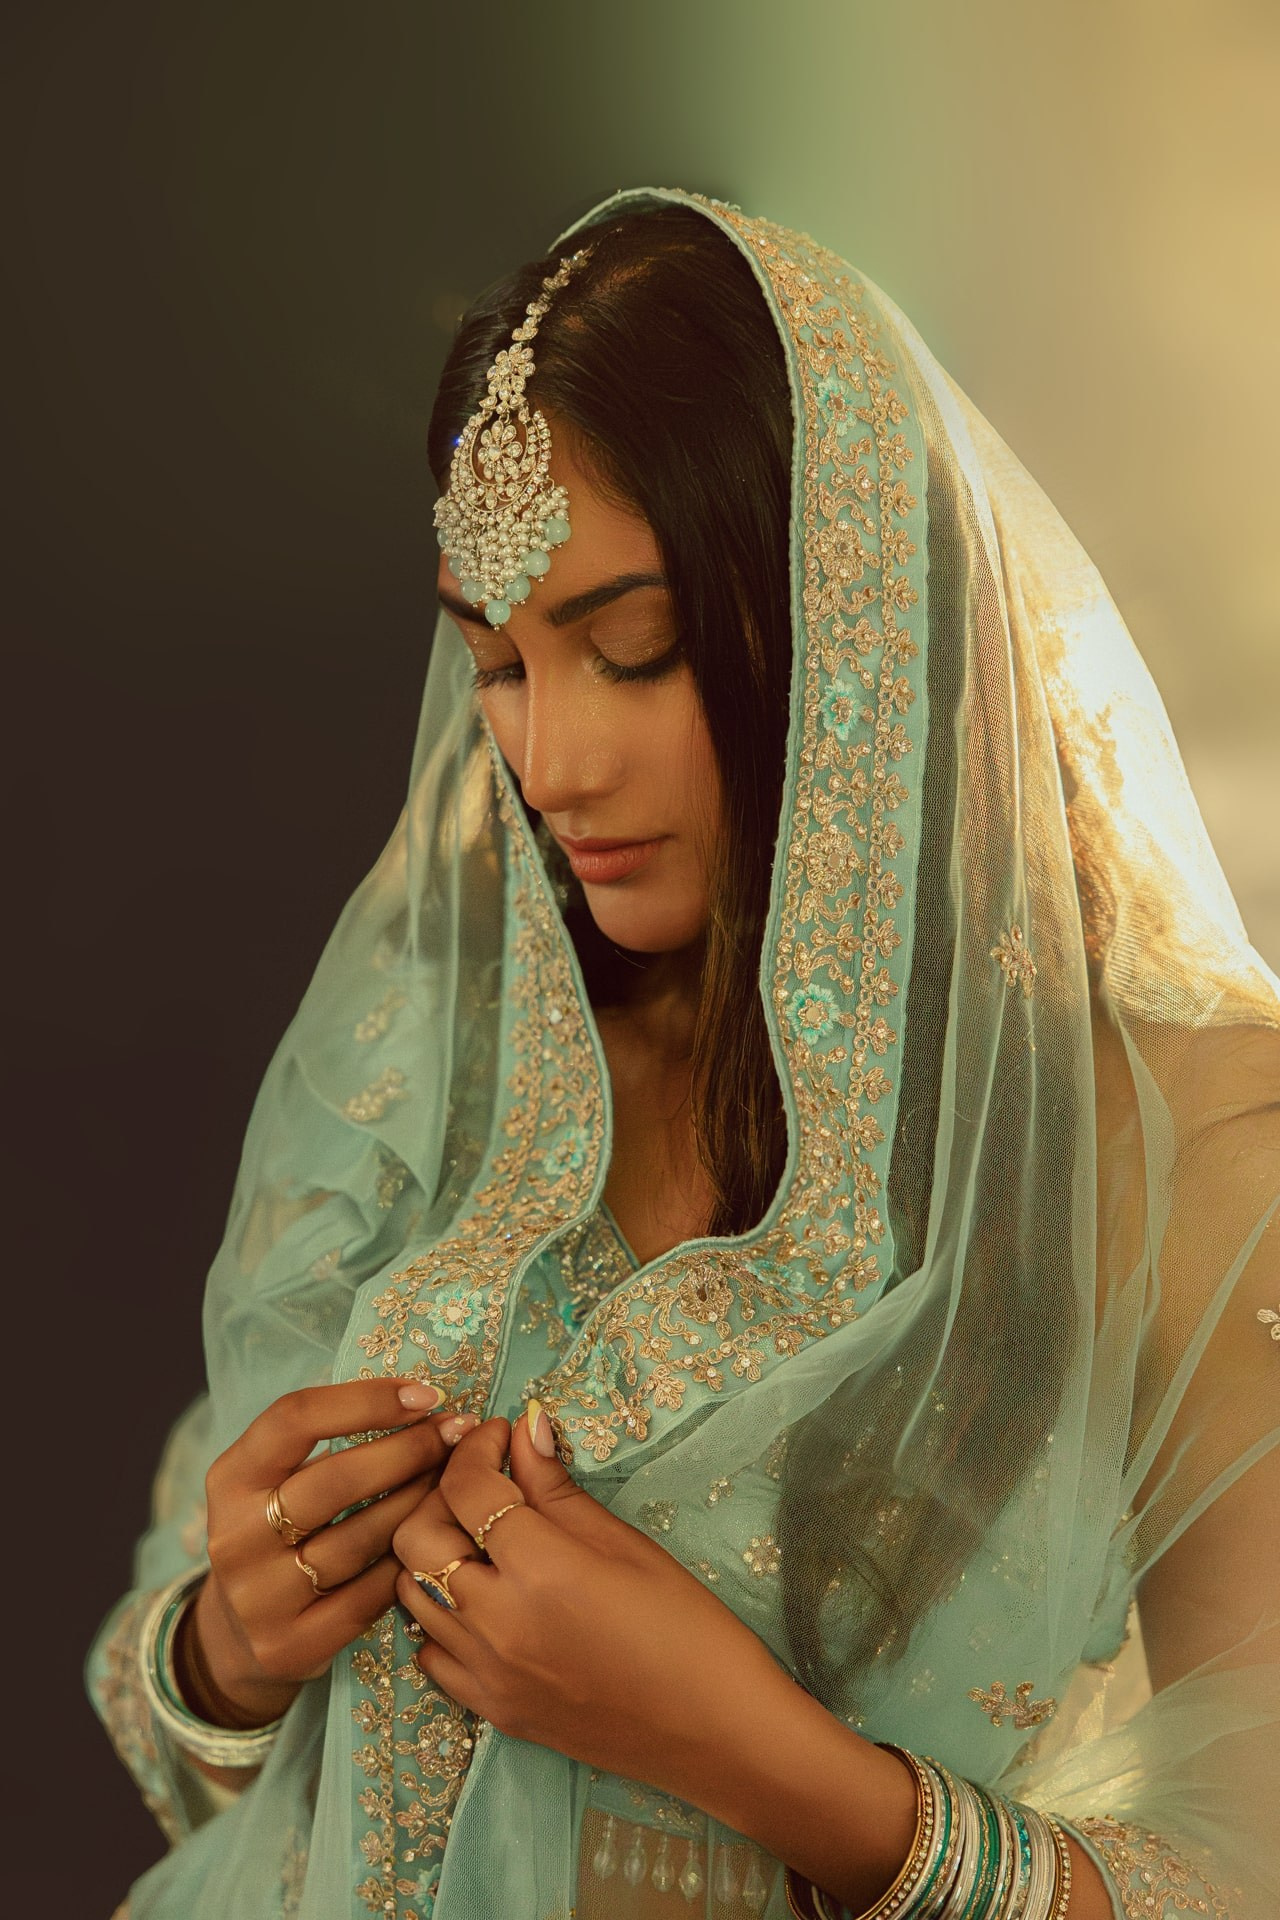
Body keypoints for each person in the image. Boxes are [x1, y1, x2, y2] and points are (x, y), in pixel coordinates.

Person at [88, 188, 1279, 1920]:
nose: (548, 760)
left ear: (851, 621)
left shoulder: (1178, 1136)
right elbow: (171, 1719)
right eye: (496, 665)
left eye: (629, 652)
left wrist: (755, 1761)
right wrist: (226, 1645)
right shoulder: (462, 1040)